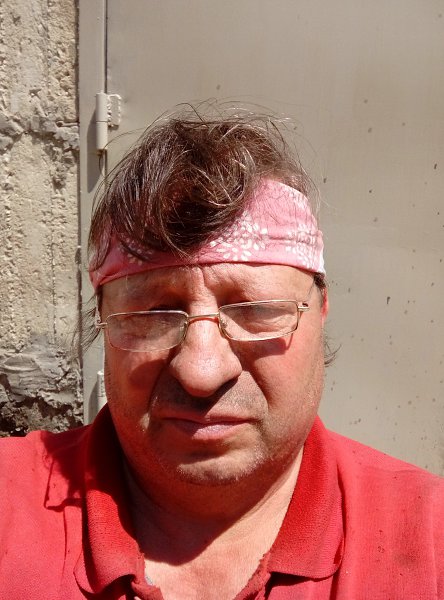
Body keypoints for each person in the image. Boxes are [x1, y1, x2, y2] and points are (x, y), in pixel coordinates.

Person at [0, 107, 442, 600]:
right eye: (152, 314)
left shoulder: (430, 540)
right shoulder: (8, 508)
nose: (201, 372)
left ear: (321, 311)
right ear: (103, 320)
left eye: (255, 310)